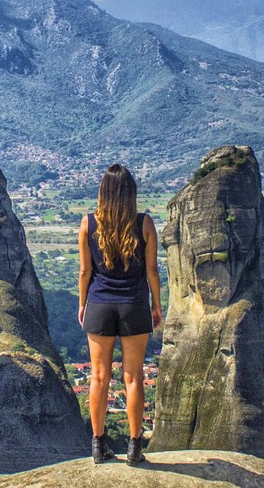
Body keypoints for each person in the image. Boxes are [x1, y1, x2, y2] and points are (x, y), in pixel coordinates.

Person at [78, 163, 162, 466]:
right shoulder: (144, 223)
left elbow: (86, 271)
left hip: (99, 304)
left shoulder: (88, 223)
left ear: (103, 191)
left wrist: (83, 303)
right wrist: (156, 305)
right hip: (134, 304)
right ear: (131, 193)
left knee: (98, 377)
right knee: (134, 377)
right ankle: (134, 446)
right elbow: (152, 271)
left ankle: (98, 446)